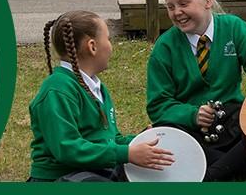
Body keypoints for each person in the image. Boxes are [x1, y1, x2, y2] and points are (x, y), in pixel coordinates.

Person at [145, 0, 246, 181]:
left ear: (208, 0)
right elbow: (158, 104)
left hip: (235, 122)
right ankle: (244, 162)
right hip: (191, 130)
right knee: (163, 134)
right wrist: (193, 115)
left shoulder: (235, 28)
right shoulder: (164, 47)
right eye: (170, 7)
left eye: (183, 4)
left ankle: (210, 172)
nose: (176, 13)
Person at [28, 10, 174, 182]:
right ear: (92, 46)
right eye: (109, 39)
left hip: (93, 171)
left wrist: (139, 142)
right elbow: (67, 149)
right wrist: (127, 154)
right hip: (62, 178)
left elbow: (110, 139)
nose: (111, 46)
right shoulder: (57, 90)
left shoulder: (95, 86)